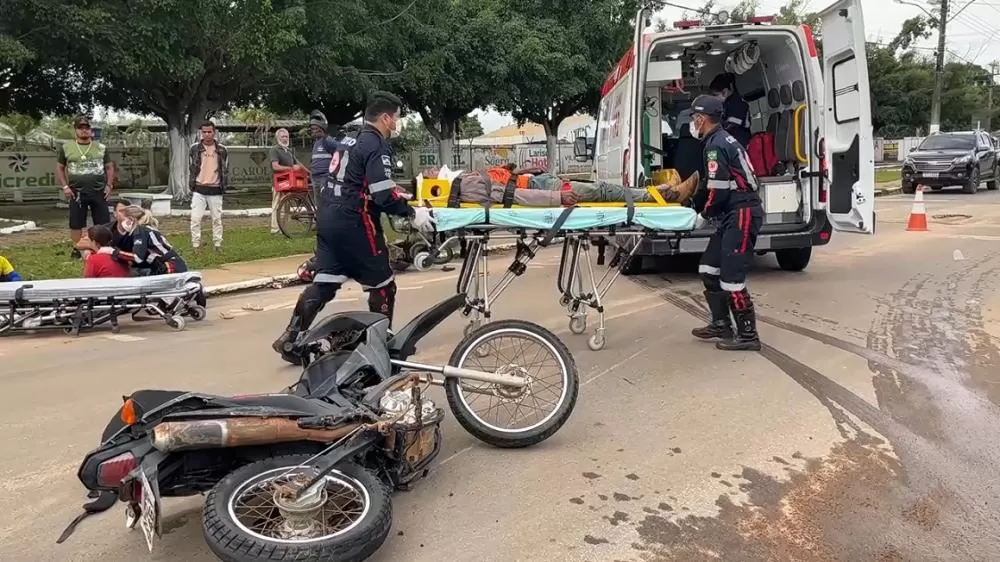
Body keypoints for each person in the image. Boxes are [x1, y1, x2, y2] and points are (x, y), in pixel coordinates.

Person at [272, 92, 435, 363]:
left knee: (325, 282)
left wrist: (392, 192)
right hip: (356, 222)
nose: (397, 124)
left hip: (328, 217)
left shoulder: (350, 138)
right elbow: (381, 198)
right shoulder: (376, 144)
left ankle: (291, 336)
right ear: (385, 118)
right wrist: (412, 212)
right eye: (396, 118)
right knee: (382, 286)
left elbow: (358, 180)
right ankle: (379, 344)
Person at [687, 95, 763, 352]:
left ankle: (748, 335)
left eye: (693, 118)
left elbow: (717, 190)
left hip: (741, 213)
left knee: (732, 278)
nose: (692, 123)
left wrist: (703, 215)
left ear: (700, 118)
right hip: (733, 213)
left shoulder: (715, 145)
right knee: (709, 268)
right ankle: (721, 323)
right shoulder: (721, 139)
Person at [56, 116, 114, 259]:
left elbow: (109, 167)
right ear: (75, 130)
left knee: (103, 222)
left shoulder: (101, 147)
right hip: (77, 192)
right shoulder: (66, 147)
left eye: (86, 128)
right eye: (80, 128)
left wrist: (109, 185)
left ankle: (102, 247)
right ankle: (77, 248)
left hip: (98, 190)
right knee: (76, 223)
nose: (84, 130)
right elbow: (60, 167)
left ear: (91, 130)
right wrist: (65, 186)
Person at [104, 206, 189, 276]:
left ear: (131, 219)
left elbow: (138, 257)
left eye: (124, 219)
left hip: (170, 267)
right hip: (168, 266)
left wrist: (112, 251)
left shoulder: (140, 231)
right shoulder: (144, 229)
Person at [189, 120, 229, 253]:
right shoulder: (194, 148)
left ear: (214, 132)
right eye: (204, 132)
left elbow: (225, 169)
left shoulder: (222, 149)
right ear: (201, 133)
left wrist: (224, 186)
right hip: (199, 189)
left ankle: (218, 245)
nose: (206, 134)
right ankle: (196, 246)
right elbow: (191, 167)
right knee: (195, 219)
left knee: (217, 219)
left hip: (216, 189)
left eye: (209, 132)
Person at [269, 128, 305, 234]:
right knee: (277, 206)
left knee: (286, 207)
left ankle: (282, 229)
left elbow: (296, 164)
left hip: (289, 183)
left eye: (286, 137)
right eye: (283, 137)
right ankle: (275, 229)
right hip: (278, 183)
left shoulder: (289, 151)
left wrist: (299, 168)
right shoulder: (274, 150)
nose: (285, 139)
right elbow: (275, 166)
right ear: (277, 138)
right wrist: (290, 168)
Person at [306, 110, 341, 204]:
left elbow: (340, 152)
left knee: (325, 204)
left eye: (314, 128)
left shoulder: (328, 141)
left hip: (325, 178)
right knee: (318, 205)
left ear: (321, 129)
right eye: (311, 128)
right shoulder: (315, 143)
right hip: (315, 178)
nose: (312, 131)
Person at [709, 73, 752, 149]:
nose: (714, 98)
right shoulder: (727, 103)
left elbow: (731, 125)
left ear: (725, 92)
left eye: (716, 95)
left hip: (740, 142)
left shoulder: (737, 104)